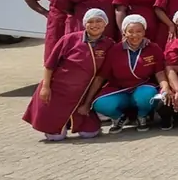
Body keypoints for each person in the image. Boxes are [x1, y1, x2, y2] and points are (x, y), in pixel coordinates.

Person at [22, 9, 115, 141]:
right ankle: (58, 127)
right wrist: (46, 87)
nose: (95, 25)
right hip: (57, 89)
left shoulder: (108, 44)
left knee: (90, 133)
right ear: (85, 24)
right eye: (90, 22)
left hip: (82, 94)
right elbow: (50, 65)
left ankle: (76, 123)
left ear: (105, 23)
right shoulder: (69, 39)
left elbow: (100, 77)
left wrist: (87, 103)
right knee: (56, 137)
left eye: (99, 21)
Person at [79, 14, 170, 133]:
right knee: (100, 104)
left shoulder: (153, 48)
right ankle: (119, 118)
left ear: (144, 32)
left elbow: (160, 73)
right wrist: (87, 103)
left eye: (139, 31)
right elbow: (100, 77)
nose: (135, 35)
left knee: (147, 95)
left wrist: (165, 88)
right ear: (124, 32)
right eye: (130, 31)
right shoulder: (115, 50)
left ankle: (142, 116)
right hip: (119, 90)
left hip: (142, 88)